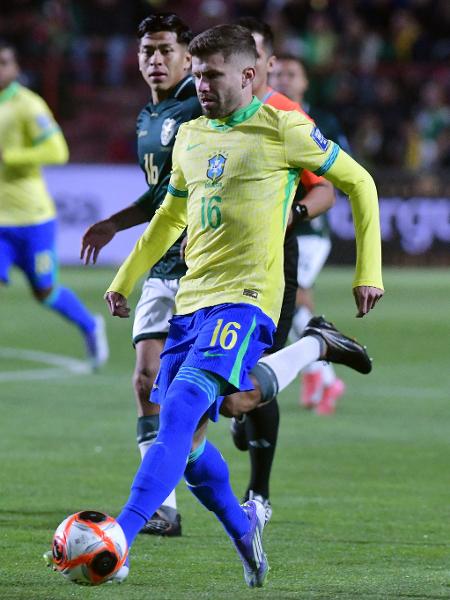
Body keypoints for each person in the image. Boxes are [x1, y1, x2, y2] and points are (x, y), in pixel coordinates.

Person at [100, 24, 383, 587]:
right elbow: (170, 216)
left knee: (179, 409)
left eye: (212, 75)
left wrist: (367, 271)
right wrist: (125, 278)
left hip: (248, 299)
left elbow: (359, 182)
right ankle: (243, 528)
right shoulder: (192, 135)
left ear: (249, 74)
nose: (200, 85)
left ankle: (118, 537)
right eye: (197, 74)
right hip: (192, 300)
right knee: (192, 446)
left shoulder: (284, 128)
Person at [81, 13, 202, 537]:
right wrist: (114, 223)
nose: (155, 59)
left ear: (188, 57)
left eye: (165, 49)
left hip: (204, 268)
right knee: (146, 380)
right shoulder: (148, 118)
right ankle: (164, 507)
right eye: (147, 51)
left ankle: (309, 349)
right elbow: (161, 197)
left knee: (219, 400)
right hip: (161, 265)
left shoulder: (200, 106)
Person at [226, 17, 334, 514]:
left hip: (270, 264)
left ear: (265, 63)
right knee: (222, 385)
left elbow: (329, 187)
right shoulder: (206, 109)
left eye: (251, 53)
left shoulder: (287, 116)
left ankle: (259, 492)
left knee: (250, 377)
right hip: (213, 262)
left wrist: (292, 214)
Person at [0, 41, 108, 370]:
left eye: (3, 62)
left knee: (44, 291)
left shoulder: (28, 105)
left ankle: (89, 325)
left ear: (16, 68)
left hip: (32, 219)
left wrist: (12, 157)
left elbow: (57, 151)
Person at [270, 53, 352, 414]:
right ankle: (317, 374)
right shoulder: (265, 116)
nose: (283, 79)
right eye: (277, 73)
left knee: (291, 299)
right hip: (277, 229)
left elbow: (343, 167)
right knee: (293, 302)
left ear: (305, 82)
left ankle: (324, 372)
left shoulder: (322, 122)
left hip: (309, 229)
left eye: (292, 74)